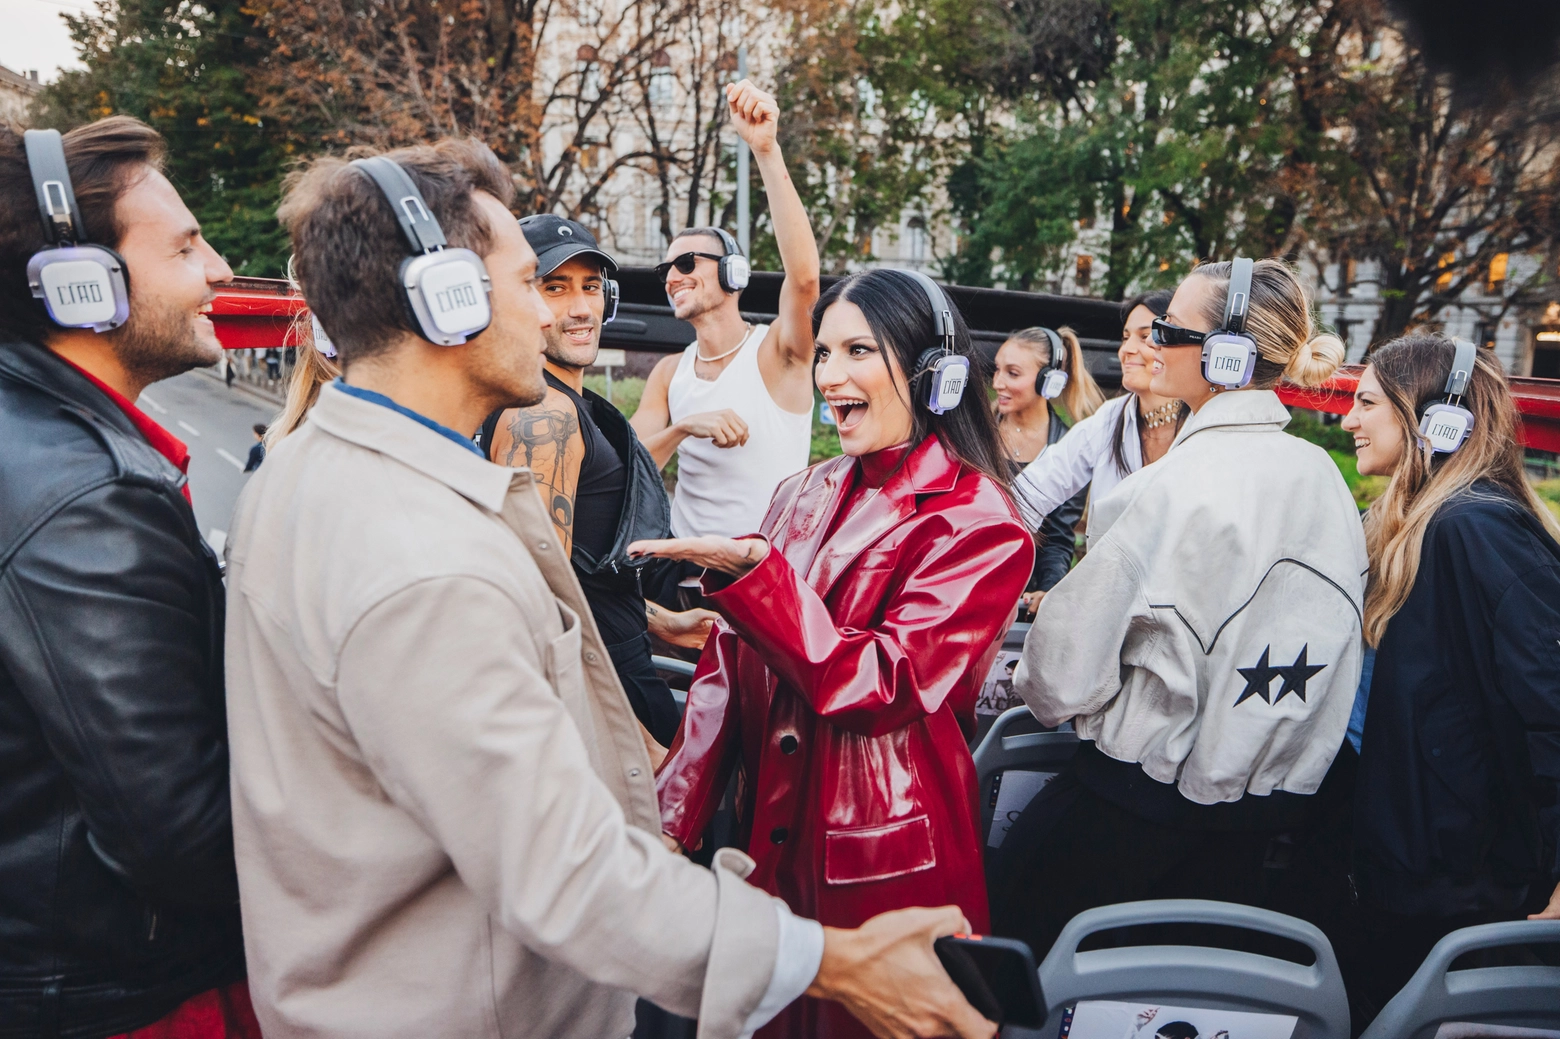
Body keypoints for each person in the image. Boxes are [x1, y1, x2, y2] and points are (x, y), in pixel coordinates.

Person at [224, 139, 994, 1039]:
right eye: (530, 284)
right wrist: (831, 959)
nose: (556, 314)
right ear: (449, 303)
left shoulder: (308, 470)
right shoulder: (421, 558)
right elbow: (564, 872)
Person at [640, 268, 1034, 1039]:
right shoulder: (801, 489)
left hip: (886, 847)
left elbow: (882, 682)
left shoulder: (981, 521)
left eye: (858, 350)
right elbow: (730, 659)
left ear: (934, 374)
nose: (829, 375)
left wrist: (754, 577)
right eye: (823, 352)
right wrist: (674, 812)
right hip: (769, 826)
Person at [995, 258, 1365, 959]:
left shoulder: (1165, 487)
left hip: (1125, 809)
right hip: (1260, 836)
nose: (1152, 342)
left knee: (1006, 966)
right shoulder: (1326, 483)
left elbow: (1059, 679)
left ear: (1227, 355)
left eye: (1169, 328)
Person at [0, 119, 257, 1035]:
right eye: (186, 246)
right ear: (80, 285)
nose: (220, 269)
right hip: (120, 994)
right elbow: (180, 837)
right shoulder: (88, 497)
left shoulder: (36, 435)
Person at [1339, 334, 1560, 1017]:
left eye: (1367, 401)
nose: (1348, 418)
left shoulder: (1477, 531)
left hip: (1456, 895)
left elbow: (1552, 706)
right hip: (1411, 877)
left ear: (1440, 420)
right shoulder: (1420, 526)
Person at [478, 213, 718, 752]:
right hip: (607, 704)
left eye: (590, 287)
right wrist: (634, 745)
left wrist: (662, 623)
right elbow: (536, 612)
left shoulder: (564, 405)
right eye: (555, 288)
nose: (582, 308)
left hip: (620, 672)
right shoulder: (544, 418)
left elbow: (578, 577)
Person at [630, 79, 818, 553]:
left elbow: (804, 281)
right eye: (666, 268)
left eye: (688, 263)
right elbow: (628, 469)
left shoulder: (778, 352)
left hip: (764, 577)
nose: (673, 276)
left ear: (735, 274)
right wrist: (682, 428)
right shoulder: (669, 374)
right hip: (681, 574)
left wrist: (767, 152)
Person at [1010, 291, 1187, 533]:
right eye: (1125, 338)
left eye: (1145, 336)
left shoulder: (1204, 423)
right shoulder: (1109, 419)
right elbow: (1032, 490)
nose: (1126, 350)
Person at [992, 324, 1105, 605]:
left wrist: (1048, 589)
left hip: (1015, 593)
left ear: (1049, 382)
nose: (997, 383)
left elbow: (1057, 538)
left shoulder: (1068, 450)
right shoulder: (975, 431)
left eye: (1012, 373)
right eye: (997, 369)